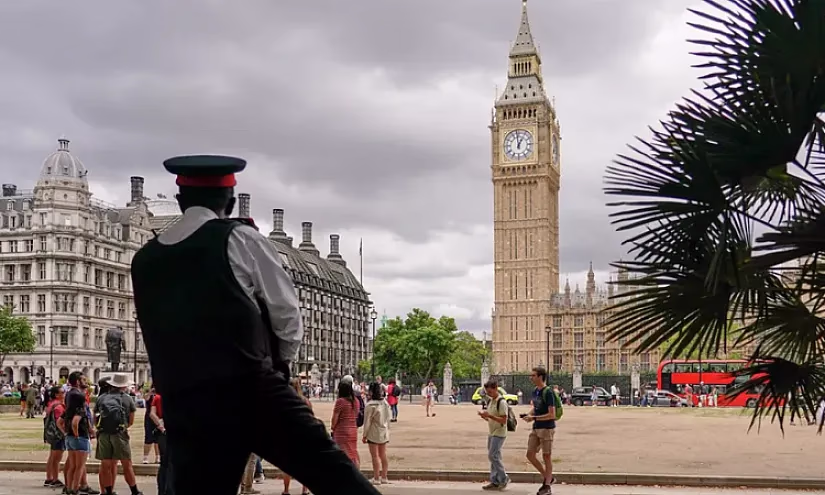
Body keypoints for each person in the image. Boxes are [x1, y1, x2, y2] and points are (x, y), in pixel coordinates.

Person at [130, 155, 377, 495]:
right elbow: (288, 316)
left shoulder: (144, 261)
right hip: (250, 391)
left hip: (186, 406)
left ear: (179, 200)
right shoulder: (239, 239)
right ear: (229, 201)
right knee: (334, 474)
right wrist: (277, 366)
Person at [95, 373, 142, 495]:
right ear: (124, 386)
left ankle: (108, 491)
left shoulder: (101, 398)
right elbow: (130, 421)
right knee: (127, 464)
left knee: (106, 465)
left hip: (104, 434)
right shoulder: (127, 398)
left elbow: (96, 418)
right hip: (119, 434)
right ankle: (134, 491)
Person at [522, 366, 558, 495]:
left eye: (533, 375)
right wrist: (529, 415)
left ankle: (547, 485)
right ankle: (549, 477)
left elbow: (552, 414)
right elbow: (536, 408)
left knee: (546, 456)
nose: (530, 377)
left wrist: (534, 417)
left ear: (540, 377)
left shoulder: (548, 392)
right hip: (536, 427)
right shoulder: (535, 391)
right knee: (530, 454)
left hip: (547, 428)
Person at [60, 371, 95, 495]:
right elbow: (76, 421)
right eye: (83, 380)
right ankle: (74, 489)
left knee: (72, 465)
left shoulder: (69, 395)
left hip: (70, 434)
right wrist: (77, 433)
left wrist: (67, 432)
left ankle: (69, 488)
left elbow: (60, 421)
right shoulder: (79, 398)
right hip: (79, 434)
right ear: (78, 381)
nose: (86, 382)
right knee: (79, 466)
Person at [282, 379, 313, 495]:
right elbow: (311, 417)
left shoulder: (283, 401)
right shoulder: (305, 401)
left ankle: (286, 490)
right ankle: (304, 489)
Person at [478, 380, 510, 491]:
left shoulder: (501, 402)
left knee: (492, 456)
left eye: (490, 391)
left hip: (499, 432)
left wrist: (489, 416)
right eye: (488, 392)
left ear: (496, 388)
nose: (488, 394)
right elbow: (491, 418)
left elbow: (504, 419)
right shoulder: (492, 401)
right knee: (494, 457)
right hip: (492, 431)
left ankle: (503, 478)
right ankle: (495, 480)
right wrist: (485, 417)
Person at [363, 382, 391, 485]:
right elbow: (389, 418)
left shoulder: (370, 405)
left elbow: (367, 422)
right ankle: (384, 476)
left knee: (374, 456)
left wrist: (364, 435)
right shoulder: (385, 403)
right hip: (383, 429)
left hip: (373, 431)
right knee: (383, 455)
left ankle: (376, 477)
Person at [148, 386, 173, 495]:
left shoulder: (158, 397)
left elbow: (152, 414)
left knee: (164, 463)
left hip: (163, 432)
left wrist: (160, 425)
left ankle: (162, 490)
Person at [331, 381, 360, 468]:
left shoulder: (340, 401)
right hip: (353, 430)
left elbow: (335, 418)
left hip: (342, 431)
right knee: (353, 453)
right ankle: (356, 473)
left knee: (342, 454)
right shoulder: (356, 401)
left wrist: (333, 427)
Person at [43, 386, 66, 489]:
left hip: (51, 433)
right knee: (57, 458)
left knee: (52, 456)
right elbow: (59, 422)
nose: (64, 393)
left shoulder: (51, 404)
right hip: (58, 435)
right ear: (57, 394)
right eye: (62, 392)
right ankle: (55, 478)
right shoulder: (59, 406)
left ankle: (49, 477)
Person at [142, 386, 159, 464]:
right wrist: (150, 392)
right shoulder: (150, 395)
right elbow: (146, 398)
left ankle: (158, 456)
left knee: (158, 439)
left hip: (159, 416)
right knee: (148, 437)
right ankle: (145, 457)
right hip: (149, 418)